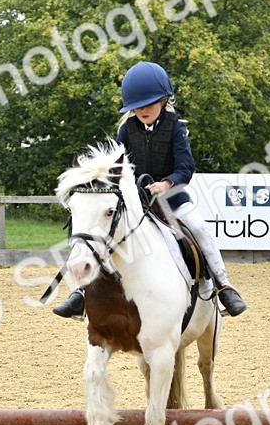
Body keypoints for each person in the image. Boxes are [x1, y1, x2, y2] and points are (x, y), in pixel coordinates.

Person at [54, 61, 247, 319]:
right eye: (137, 106)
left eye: (149, 104)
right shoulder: (126, 130)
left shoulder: (176, 126)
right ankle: (80, 292)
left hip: (172, 199)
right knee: (98, 234)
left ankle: (224, 287)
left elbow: (186, 166)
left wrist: (166, 183)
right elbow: (116, 167)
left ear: (165, 100)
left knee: (200, 228)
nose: (142, 110)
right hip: (138, 203)